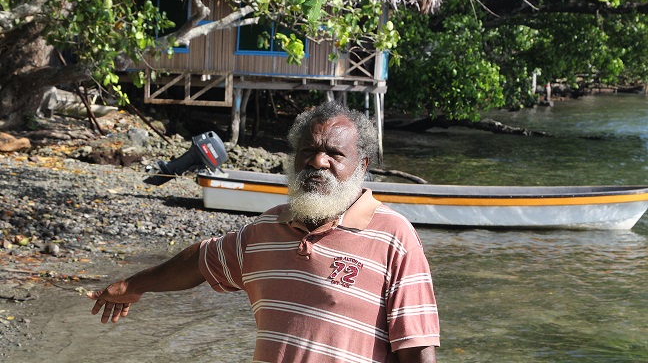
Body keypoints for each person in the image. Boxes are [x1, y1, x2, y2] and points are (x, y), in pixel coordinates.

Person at [88, 101, 440, 362]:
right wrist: (133, 285)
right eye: (309, 150)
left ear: (361, 165)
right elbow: (200, 260)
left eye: (334, 153)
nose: (318, 162)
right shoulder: (266, 230)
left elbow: (417, 349)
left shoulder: (394, 235)